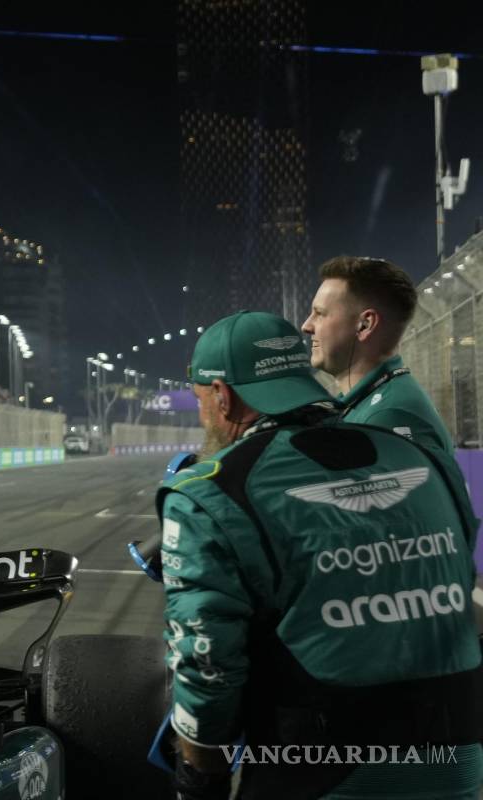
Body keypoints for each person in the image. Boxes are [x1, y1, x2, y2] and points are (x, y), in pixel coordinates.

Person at [159, 310, 481, 800]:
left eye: (201, 399)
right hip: (458, 765)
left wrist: (200, 778)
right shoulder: (425, 459)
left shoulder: (210, 493)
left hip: (318, 773)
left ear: (222, 396)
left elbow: (207, 668)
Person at [301, 256, 453, 453]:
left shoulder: (387, 417)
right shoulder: (367, 402)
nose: (307, 326)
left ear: (365, 325)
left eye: (320, 313)